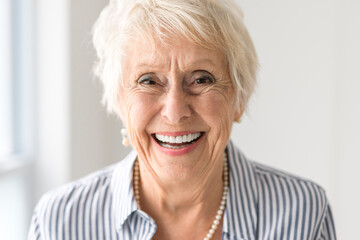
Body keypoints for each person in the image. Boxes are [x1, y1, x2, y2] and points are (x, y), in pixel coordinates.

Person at [28, 0, 336, 239]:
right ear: (120, 101)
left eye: (201, 79)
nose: (175, 111)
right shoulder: (60, 223)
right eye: (149, 80)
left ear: (238, 99)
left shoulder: (303, 213)